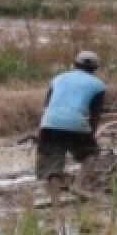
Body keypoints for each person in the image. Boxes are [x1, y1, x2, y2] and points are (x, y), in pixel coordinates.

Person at [36, 51, 106, 187]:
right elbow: (95, 114)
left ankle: (56, 205)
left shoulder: (57, 78)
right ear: (95, 68)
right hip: (76, 123)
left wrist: (41, 130)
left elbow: (46, 107)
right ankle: (78, 186)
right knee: (91, 153)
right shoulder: (98, 85)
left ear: (74, 64)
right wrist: (92, 134)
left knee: (53, 165)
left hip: (50, 123)